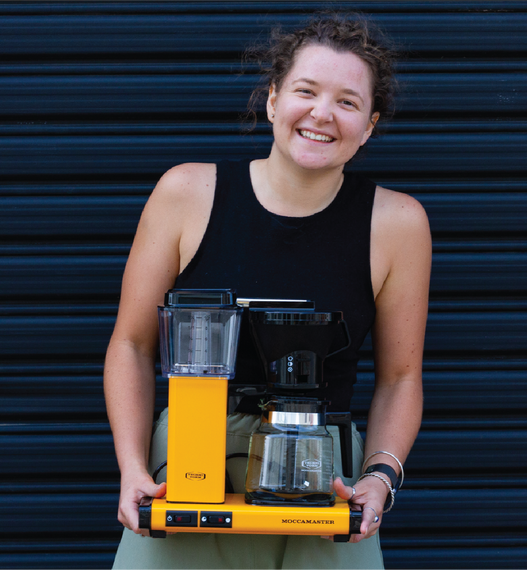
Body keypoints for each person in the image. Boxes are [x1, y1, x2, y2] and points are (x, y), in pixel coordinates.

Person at [105, 13, 430, 570]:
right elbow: (132, 346)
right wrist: (133, 467)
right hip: (187, 461)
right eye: (306, 91)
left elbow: (401, 378)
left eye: (348, 102)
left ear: (370, 124)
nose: (322, 114)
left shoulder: (397, 222)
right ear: (274, 99)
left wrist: (380, 477)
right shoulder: (187, 192)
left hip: (323, 474)